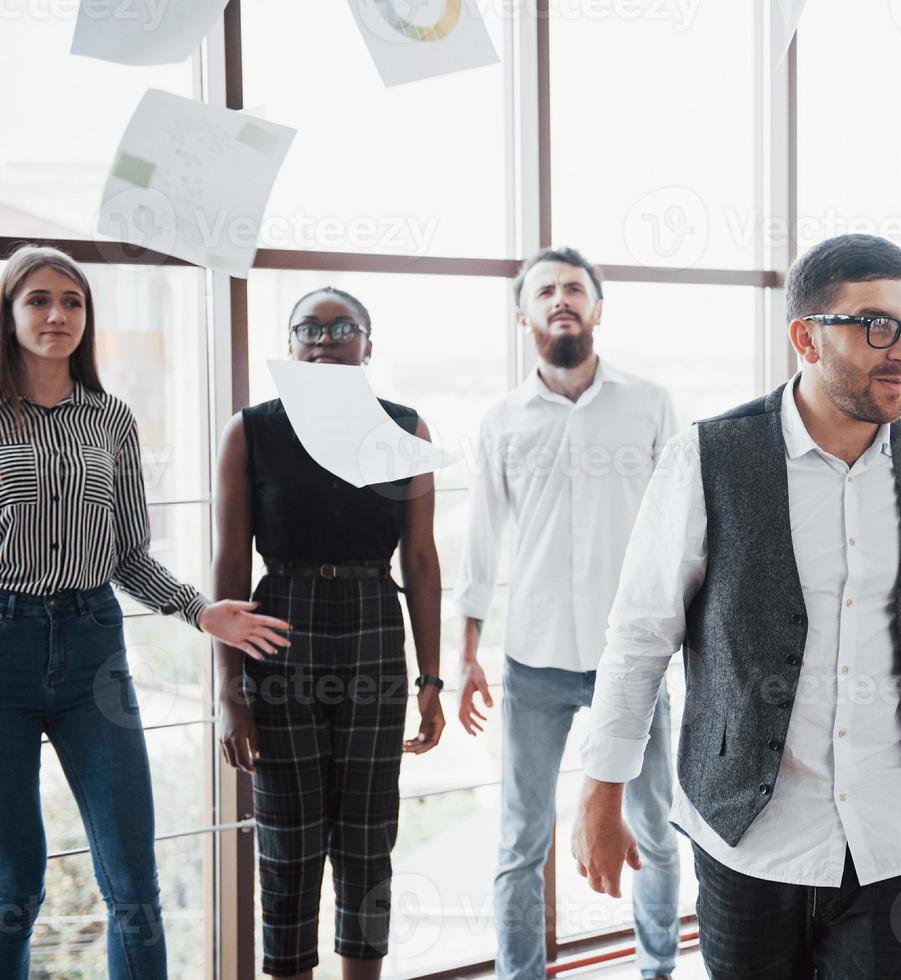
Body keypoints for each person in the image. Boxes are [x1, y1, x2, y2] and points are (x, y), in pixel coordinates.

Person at [573, 234, 901, 978]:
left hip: (895, 838)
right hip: (749, 838)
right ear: (805, 336)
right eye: (874, 325)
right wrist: (600, 792)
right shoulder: (710, 457)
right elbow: (641, 636)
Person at [0, 244, 292, 979]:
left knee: (134, 887)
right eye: (38, 300)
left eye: (72, 301)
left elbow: (130, 554)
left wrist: (201, 613)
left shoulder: (111, 419)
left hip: (94, 649)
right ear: (9, 312)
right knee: (12, 891)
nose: (57, 314)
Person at [455, 247, 681, 980]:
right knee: (522, 839)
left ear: (597, 309)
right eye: (546, 290)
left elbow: (683, 529)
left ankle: (658, 970)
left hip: (634, 659)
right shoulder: (502, 420)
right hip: (535, 661)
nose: (562, 298)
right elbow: (481, 545)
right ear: (524, 314)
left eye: (575, 288)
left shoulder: (649, 404)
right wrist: (465, 657)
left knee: (654, 826)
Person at [213, 286, 445, 979]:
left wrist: (432, 680)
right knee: (288, 837)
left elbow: (423, 560)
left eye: (342, 328)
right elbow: (227, 563)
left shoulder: (405, 426)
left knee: (370, 835)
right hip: (278, 627)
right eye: (307, 330)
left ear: (368, 345)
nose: (323, 340)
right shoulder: (250, 430)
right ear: (290, 346)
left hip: (376, 620)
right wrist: (228, 689)